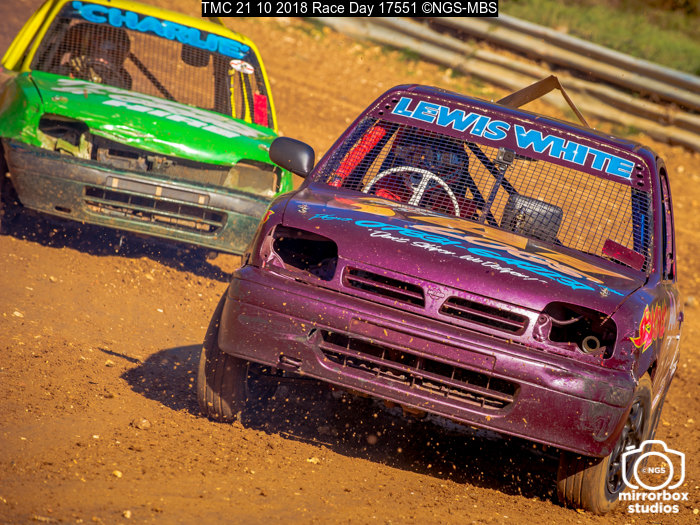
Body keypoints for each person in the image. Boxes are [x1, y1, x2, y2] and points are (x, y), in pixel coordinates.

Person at [59, 23, 132, 89]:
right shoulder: (67, 70)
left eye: (110, 55)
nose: (102, 60)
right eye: (99, 52)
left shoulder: (121, 82)